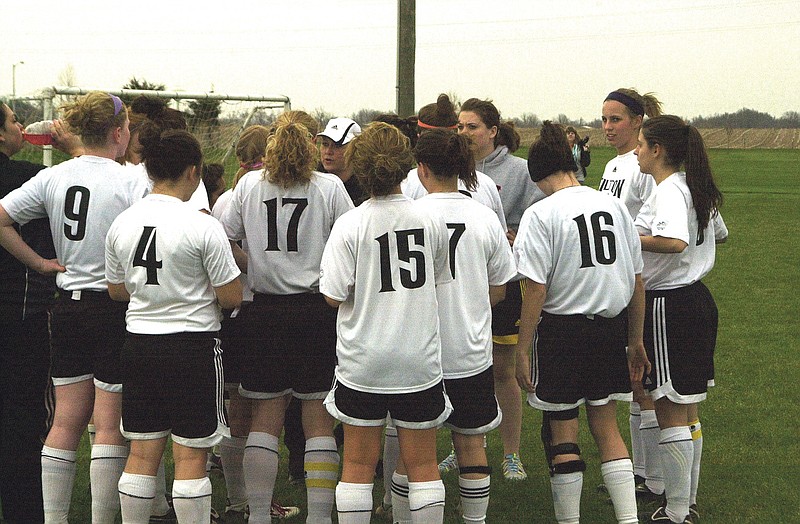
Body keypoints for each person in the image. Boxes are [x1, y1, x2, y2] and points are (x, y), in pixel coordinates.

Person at [0, 91, 148, 523]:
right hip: (114, 308)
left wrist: (40, 263)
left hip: (65, 308)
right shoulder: (132, 180)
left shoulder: (54, 177)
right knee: (107, 424)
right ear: (119, 133)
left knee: (64, 421)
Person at [219, 110, 353, 524]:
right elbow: (351, 239)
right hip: (316, 312)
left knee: (266, 415)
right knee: (317, 418)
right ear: (310, 150)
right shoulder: (329, 187)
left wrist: (252, 261)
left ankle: (257, 515)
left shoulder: (248, 186)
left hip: (265, 312)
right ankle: (316, 517)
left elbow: (224, 236)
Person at [105, 122, 243, 523]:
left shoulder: (123, 223)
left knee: (142, 452)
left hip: (139, 345)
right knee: (191, 456)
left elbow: (115, 290)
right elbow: (231, 297)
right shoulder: (202, 225)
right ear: (193, 171)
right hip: (193, 348)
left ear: (148, 169)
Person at [513, 121, 649, 524]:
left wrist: (522, 347)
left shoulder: (540, 214)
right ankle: (629, 520)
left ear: (539, 176)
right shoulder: (613, 205)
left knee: (563, 429)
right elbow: (637, 280)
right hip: (610, 327)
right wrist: (635, 339)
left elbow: (535, 289)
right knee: (607, 425)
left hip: (561, 332)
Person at [320, 122, 452, 524]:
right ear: (406, 166)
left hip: (364, 361)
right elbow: (438, 277)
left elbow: (332, 295)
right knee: (424, 466)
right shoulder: (431, 220)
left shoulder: (351, 224)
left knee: (358, 466)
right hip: (418, 360)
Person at [408, 129, 517, 524]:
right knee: (472, 445)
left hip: (420, 352)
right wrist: (468, 301)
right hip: (470, 352)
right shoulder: (485, 216)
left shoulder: (410, 216)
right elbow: (500, 290)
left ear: (421, 169)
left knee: (414, 451)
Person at [634, 115, 727, 524]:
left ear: (657, 150)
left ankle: (675, 512)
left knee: (670, 407)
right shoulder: (692, 186)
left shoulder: (671, 189)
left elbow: (674, 241)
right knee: (688, 411)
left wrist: (629, 237)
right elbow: (719, 234)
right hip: (696, 301)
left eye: (640, 144)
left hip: (668, 305)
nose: (636, 152)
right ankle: (684, 503)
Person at [211, 123, 301, 521]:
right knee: (260, 409)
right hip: (252, 309)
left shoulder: (231, 196)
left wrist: (257, 265)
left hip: (235, 315)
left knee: (239, 410)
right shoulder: (251, 193)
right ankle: (249, 503)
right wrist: (262, 266)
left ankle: (241, 502)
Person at [0, 103, 82, 523]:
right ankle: (23, 510)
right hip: (20, 317)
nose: (20, 125)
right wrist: (38, 263)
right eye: (14, 120)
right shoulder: (27, 179)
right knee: (23, 416)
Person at [457, 97, 545, 480]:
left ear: (493, 132)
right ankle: (468, 444)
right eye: (460, 127)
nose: (464, 133)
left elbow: (543, 217)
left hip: (504, 285)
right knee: (462, 371)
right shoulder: (449, 169)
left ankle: (511, 454)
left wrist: (516, 233)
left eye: (472, 126)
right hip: (460, 289)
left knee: (502, 372)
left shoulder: (519, 171)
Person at [598, 88, 666, 502]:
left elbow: (648, 225)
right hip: (619, 284)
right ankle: (642, 474)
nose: (607, 127)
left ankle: (655, 480)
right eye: (604, 119)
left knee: (647, 385)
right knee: (632, 383)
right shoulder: (611, 165)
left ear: (638, 120)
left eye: (616, 119)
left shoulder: (644, 166)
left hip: (646, 283)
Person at [316, 117, 365, 205]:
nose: (328, 151)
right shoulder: (311, 183)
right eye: (325, 144)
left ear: (355, 148)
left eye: (337, 146)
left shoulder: (366, 189)